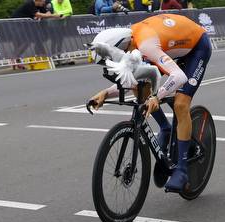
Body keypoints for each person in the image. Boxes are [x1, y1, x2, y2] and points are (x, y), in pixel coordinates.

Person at [89, 14, 212, 192]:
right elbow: (129, 79)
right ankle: (166, 127)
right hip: (171, 48)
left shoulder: (146, 45)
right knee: (137, 86)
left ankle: (182, 170)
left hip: (197, 47)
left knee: (180, 104)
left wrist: (157, 97)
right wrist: (105, 94)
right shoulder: (131, 44)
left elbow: (178, 76)